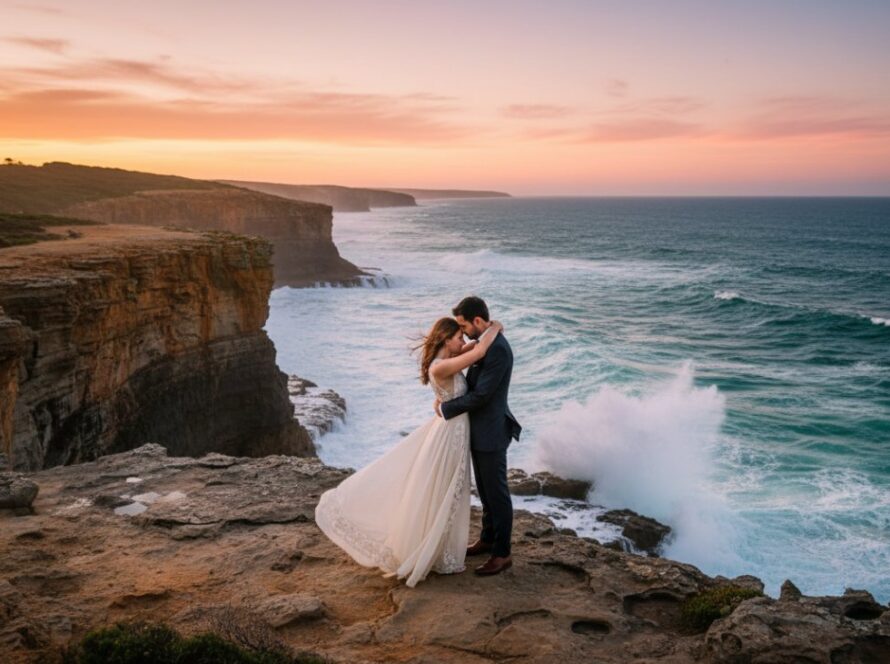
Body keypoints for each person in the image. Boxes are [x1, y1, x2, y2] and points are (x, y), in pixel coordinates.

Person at [314, 315, 504, 587]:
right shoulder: (441, 367)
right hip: (450, 435)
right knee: (445, 490)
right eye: (458, 337)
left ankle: (442, 551)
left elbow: (469, 352)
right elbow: (480, 351)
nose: (463, 341)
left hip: (453, 431)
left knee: (451, 489)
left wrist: (440, 400)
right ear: (446, 339)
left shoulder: (445, 359)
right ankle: (435, 553)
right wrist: (495, 327)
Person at [436, 295, 522, 576]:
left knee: (496, 494)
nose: (462, 332)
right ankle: (487, 539)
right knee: (485, 492)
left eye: (463, 325)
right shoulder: (485, 344)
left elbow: (483, 395)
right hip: (477, 430)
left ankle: (502, 553)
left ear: (477, 321)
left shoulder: (497, 350)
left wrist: (446, 407)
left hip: (492, 432)